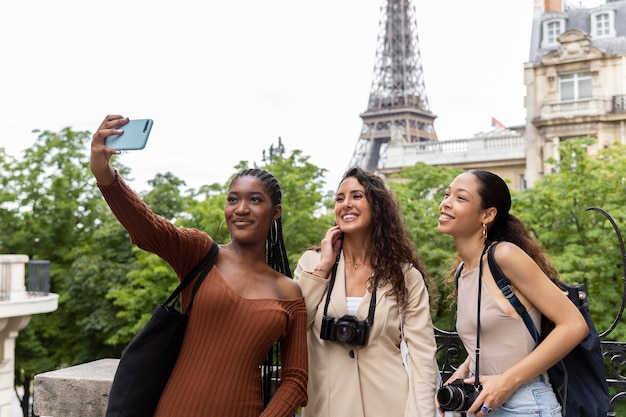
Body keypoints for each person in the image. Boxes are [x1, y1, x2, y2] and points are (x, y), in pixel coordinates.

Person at [91, 114, 308, 417]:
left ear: (275, 213)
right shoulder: (200, 253)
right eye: (233, 199)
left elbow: (296, 380)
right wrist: (104, 173)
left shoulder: (289, 292)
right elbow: (147, 228)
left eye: (255, 200)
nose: (241, 209)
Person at [437, 169, 588, 416]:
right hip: (481, 404)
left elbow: (574, 325)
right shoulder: (463, 270)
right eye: (446, 195)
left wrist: (507, 382)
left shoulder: (504, 256)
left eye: (460, 198)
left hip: (523, 405)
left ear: (487, 214)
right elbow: (500, 335)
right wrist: (464, 371)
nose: (446, 203)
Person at [294, 166, 438, 417]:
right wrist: (323, 269)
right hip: (326, 408)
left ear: (378, 206)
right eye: (340, 198)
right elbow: (295, 325)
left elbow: (422, 356)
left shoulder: (405, 275)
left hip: (389, 406)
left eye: (357, 196)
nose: (346, 204)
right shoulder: (311, 263)